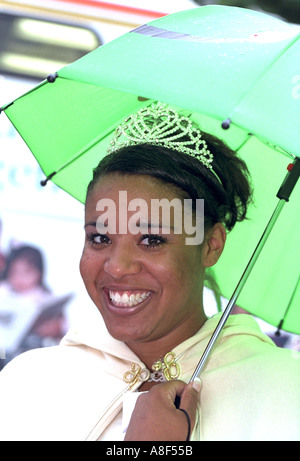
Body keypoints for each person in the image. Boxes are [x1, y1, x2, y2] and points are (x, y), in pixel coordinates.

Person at [0, 102, 299, 441]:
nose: (117, 266)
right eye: (100, 237)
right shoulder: (27, 383)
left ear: (211, 245)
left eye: (152, 239)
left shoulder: (287, 392)